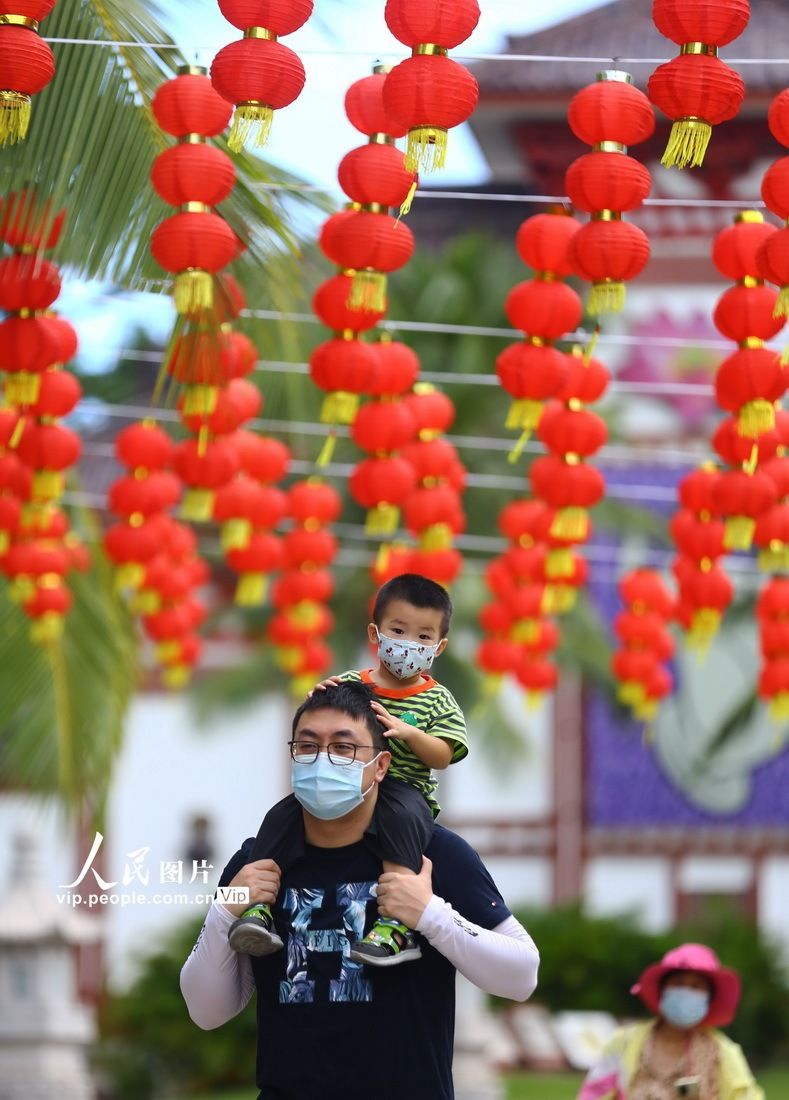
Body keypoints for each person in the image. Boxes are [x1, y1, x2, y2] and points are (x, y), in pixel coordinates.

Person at [180, 681, 539, 1100]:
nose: (323, 760)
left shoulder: (433, 854)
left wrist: (430, 915)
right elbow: (207, 1011)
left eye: (344, 747)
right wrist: (225, 910)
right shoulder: (258, 862)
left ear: (381, 765)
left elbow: (522, 975)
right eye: (308, 746)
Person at [228, 573, 467, 965]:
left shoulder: (439, 700)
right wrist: (319, 696)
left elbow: (443, 755)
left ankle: (395, 924)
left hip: (403, 790)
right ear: (376, 634)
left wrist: (409, 733)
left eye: (423, 637)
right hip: (354, 783)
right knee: (281, 815)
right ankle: (259, 909)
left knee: (401, 818)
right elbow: (326, 709)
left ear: (439, 646)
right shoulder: (356, 682)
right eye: (398, 630)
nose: (409, 644)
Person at [578, 943, 763, 1100]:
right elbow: (593, 1094)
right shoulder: (624, 1042)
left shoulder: (723, 1053)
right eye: (678, 983)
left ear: (708, 999)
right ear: (662, 990)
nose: (686, 992)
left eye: (696, 986)